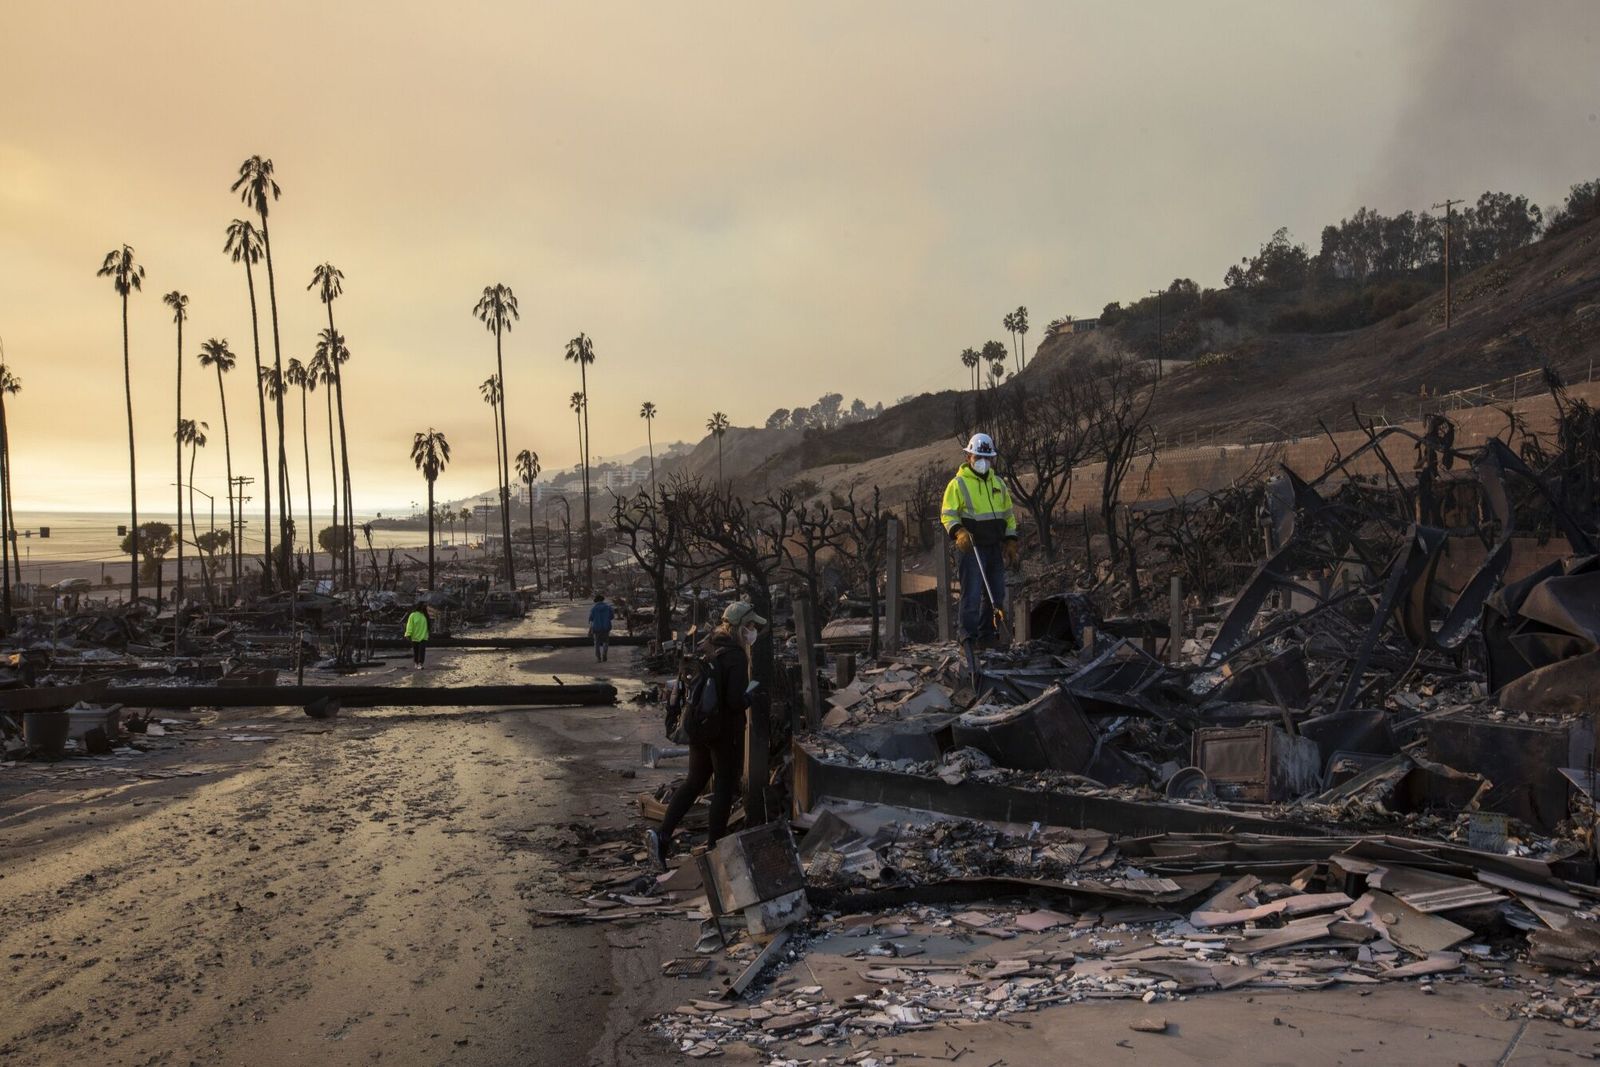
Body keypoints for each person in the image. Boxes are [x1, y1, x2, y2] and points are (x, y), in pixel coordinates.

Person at [646, 601, 766, 868]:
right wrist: (753, 692)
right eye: (749, 626)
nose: (752, 631)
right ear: (737, 626)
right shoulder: (735, 655)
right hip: (724, 732)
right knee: (724, 787)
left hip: (699, 727)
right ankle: (714, 849)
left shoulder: (706, 645)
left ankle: (662, 835)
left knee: (693, 782)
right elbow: (735, 701)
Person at [941, 432, 1019, 646]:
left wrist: (1011, 540)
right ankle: (968, 638)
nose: (983, 462)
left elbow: (1008, 516)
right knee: (972, 596)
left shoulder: (999, 485)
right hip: (971, 548)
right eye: (978, 457)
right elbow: (948, 514)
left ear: (992, 459)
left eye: (987, 458)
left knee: (996, 595)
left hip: (994, 547)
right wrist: (959, 532)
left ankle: (986, 637)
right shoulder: (958, 484)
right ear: (969, 458)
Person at [588, 592, 615, 662]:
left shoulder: (593, 609)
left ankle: (598, 658)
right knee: (605, 642)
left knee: (597, 643)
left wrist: (590, 628)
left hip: (597, 628)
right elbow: (612, 617)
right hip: (606, 627)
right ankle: (604, 655)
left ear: (596, 601)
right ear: (603, 600)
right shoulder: (608, 608)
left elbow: (591, 619)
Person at [404, 601, 430, 669]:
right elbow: (410, 625)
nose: (424, 607)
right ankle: (416, 663)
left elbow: (428, 626)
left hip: (423, 636)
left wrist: (428, 634)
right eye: (423, 605)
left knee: (422, 651)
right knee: (416, 651)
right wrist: (408, 634)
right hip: (415, 636)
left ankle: (420, 664)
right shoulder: (413, 615)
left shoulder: (425, 615)